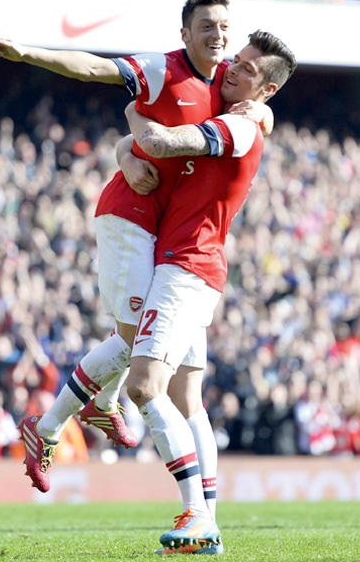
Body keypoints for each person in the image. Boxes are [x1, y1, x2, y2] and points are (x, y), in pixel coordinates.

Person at [0, 0, 238, 493]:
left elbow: (138, 122)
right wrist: (28, 53)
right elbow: (94, 69)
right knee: (137, 339)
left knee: (143, 343)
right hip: (128, 217)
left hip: (164, 231)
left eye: (224, 26)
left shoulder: (226, 85)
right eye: (206, 25)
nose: (217, 34)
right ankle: (65, 418)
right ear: (185, 34)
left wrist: (128, 142)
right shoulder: (163, 68)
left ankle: (63, 420)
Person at [118, 29, 296, 554]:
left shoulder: (240, 127)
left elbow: (160, 142)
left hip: (185, 267)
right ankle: (210, 523)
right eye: (235, 60)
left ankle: (195, 510)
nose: (232, 69)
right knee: (187, 400)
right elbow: (139, 146)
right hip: (194, 264)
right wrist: (129, 146)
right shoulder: (240, 107)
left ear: (265, 91)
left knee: (143, 387)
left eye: (247, 69)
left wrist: (134, 116)